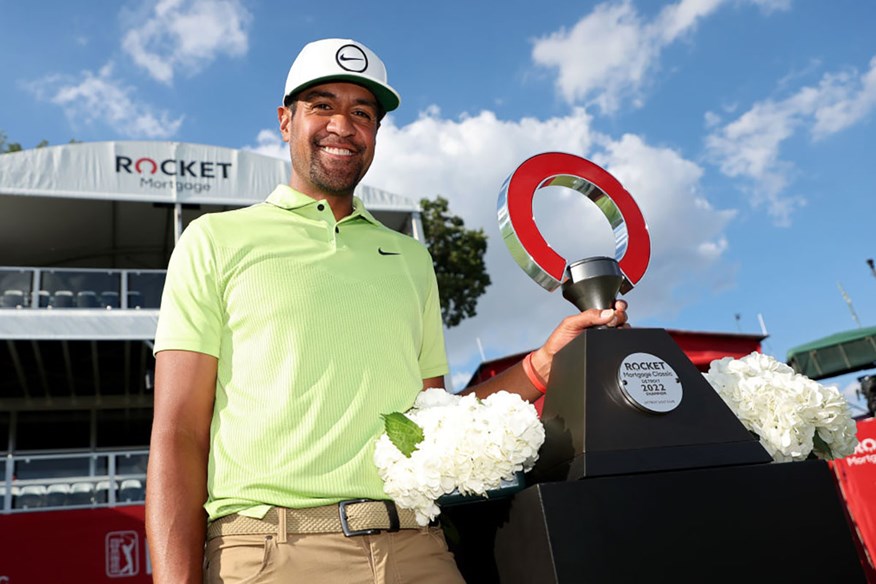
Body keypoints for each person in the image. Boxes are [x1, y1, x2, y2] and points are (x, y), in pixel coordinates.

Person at [145, 38, 628, 584]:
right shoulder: (213, 240)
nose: (343, 126)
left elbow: (435, 425)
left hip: (417, 550)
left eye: (362, 113)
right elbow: (178, 432)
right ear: (285, 121)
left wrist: (543, 363)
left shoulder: (410, 258)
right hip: (274, 553)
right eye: (322, 106)